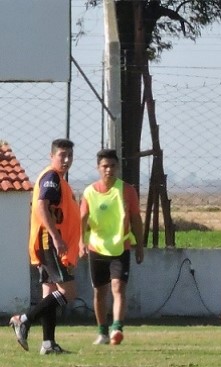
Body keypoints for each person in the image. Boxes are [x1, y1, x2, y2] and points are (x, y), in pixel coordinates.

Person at [9, 138, 81, 355]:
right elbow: (41, 206)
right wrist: (57, 238)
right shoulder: (52, 177)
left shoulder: (58, 180)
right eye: (62, 155)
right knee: (68, 292)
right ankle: (24, 319)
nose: (66, 160)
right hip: (49, 241)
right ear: (52, 156)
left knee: (49, 292)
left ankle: (48, 344)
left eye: (70, 155)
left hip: (46, 242)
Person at [79, 149, 144, 346]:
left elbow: (136, 219)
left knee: (118, 287)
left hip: (120, 246)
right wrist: (81, 242)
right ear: (98, 168)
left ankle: (117, 328)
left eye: (113, 166)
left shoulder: (127, 191)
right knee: (100, 292)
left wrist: (139, 245)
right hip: (97, 247)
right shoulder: (89, 192)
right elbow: (82, 219)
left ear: (118, 168)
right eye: (105, 166)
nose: (109, 170)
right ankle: (102, 332)